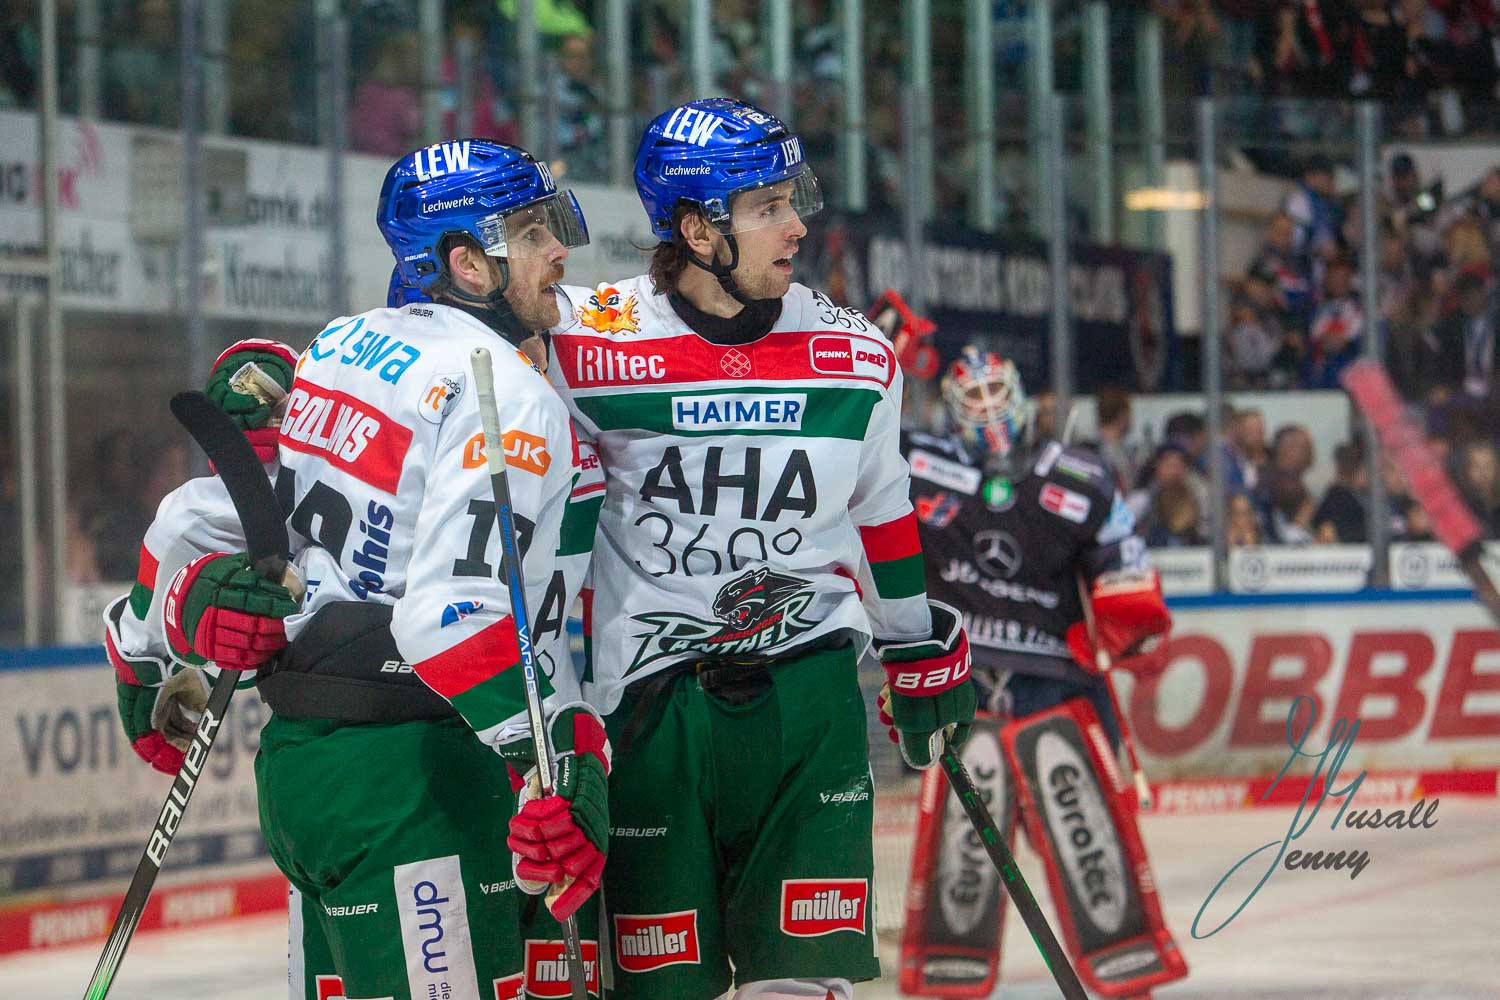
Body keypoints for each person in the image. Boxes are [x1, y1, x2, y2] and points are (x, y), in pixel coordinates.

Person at [104, 140, 610, 1000]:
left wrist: (142, 640)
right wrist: (553, 759)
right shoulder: (504, 392)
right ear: (468, 262)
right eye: (532, 232)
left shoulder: (344, 345)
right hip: (418, 771)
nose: (561, 249)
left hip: (307, 766)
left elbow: (203, 515)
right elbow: (450, 615)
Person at [545, 98, 977, 1000]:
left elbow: (884, 514)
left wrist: (912, 646)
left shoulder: (854, 355)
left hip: (806, 703)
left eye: (794, 198)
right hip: (650, 715)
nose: (796, 225)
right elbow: (445, 379)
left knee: (806, 986)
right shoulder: (580, 342)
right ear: (699, 231)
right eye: (768, 206)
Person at [895, 346, 1187, 999]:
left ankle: (1126, 970)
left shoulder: (1079, 475)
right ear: (948, 408)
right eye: (973, 399)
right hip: (964, 690)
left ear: (1022, 394)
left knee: (1091, 840)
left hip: (1057, 685)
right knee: (960, 863)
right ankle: (949, 976)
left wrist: (1125, 622)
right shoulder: (917, 463)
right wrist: (882, 350)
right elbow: (851, 432)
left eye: (998, 393)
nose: (989, 410)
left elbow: (1122, 560)